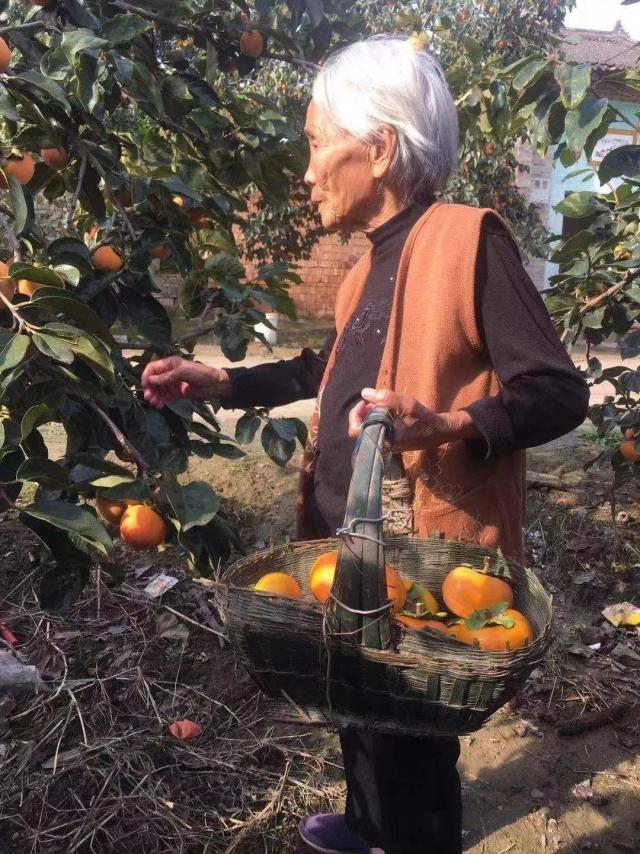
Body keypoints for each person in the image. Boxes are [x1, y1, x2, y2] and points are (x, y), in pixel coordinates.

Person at [141, 35, 589, 854]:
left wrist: (451, 424)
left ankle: (412, 839)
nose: (308, 171)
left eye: (318, 143)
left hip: (421, 547)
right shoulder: (363, 271)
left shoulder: (468, 242)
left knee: (412, 723)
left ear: (379, 149)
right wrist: (222, 383)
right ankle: (365, 825)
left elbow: (558, 392)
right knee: (357, 692)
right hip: (352, 539)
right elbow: (329, 368)